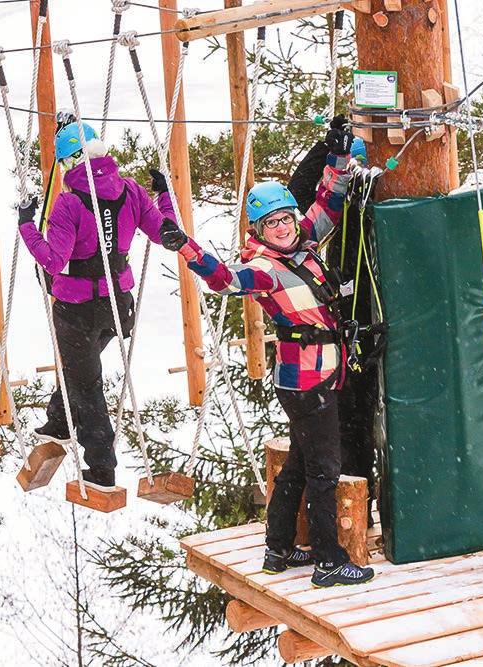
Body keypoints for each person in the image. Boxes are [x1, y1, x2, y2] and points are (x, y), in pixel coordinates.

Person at [159, 121, 375, 588]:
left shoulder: (303, 239)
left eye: (285, 219)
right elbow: (227, 280)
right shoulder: (266, 267)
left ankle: (278, 549)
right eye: (271, 224)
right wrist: (189, 249)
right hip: (307, 380)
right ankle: (328, 560)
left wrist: (337, 156)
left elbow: (330, 200)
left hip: (316, 375)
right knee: (324, 470)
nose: (282, 228)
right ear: (260, 230)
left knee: (300, 461)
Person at [17, 121, 175, 492]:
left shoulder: (70, 202)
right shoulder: (131, 191)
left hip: (78, 309)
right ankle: (59, 419)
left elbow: (53, 261)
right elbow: (164, 231)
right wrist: (164, 194)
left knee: (86, 383)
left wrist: (26, 225)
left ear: (71, 162)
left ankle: (101, 467)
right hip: (118, 307)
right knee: (78, 366)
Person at [288, 127, 380, 526]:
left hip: (366, 320)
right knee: (341, 427)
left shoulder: (378, 191)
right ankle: (350, 518)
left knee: (356, 425)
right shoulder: (339, 207)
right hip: (342, 326)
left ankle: (359, 513)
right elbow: (297, 197)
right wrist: (329, 148)